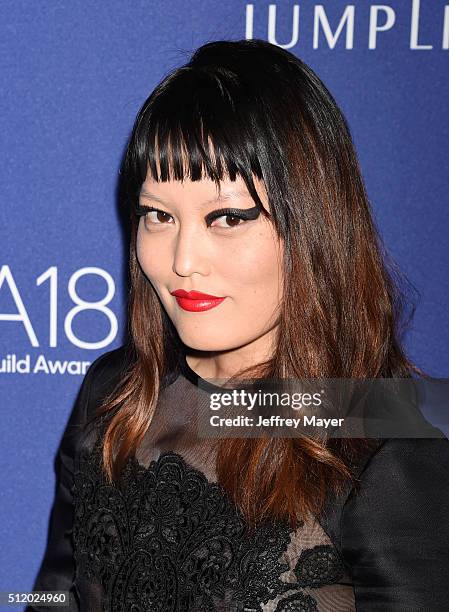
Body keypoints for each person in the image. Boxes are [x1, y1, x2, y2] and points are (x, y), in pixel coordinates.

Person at [28, 38, 449, 611]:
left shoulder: (381, 442)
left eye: (228, 217)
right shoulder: (116, 395)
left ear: (313, 225)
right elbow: (55, 599)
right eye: (158, 216)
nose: (182, 261)